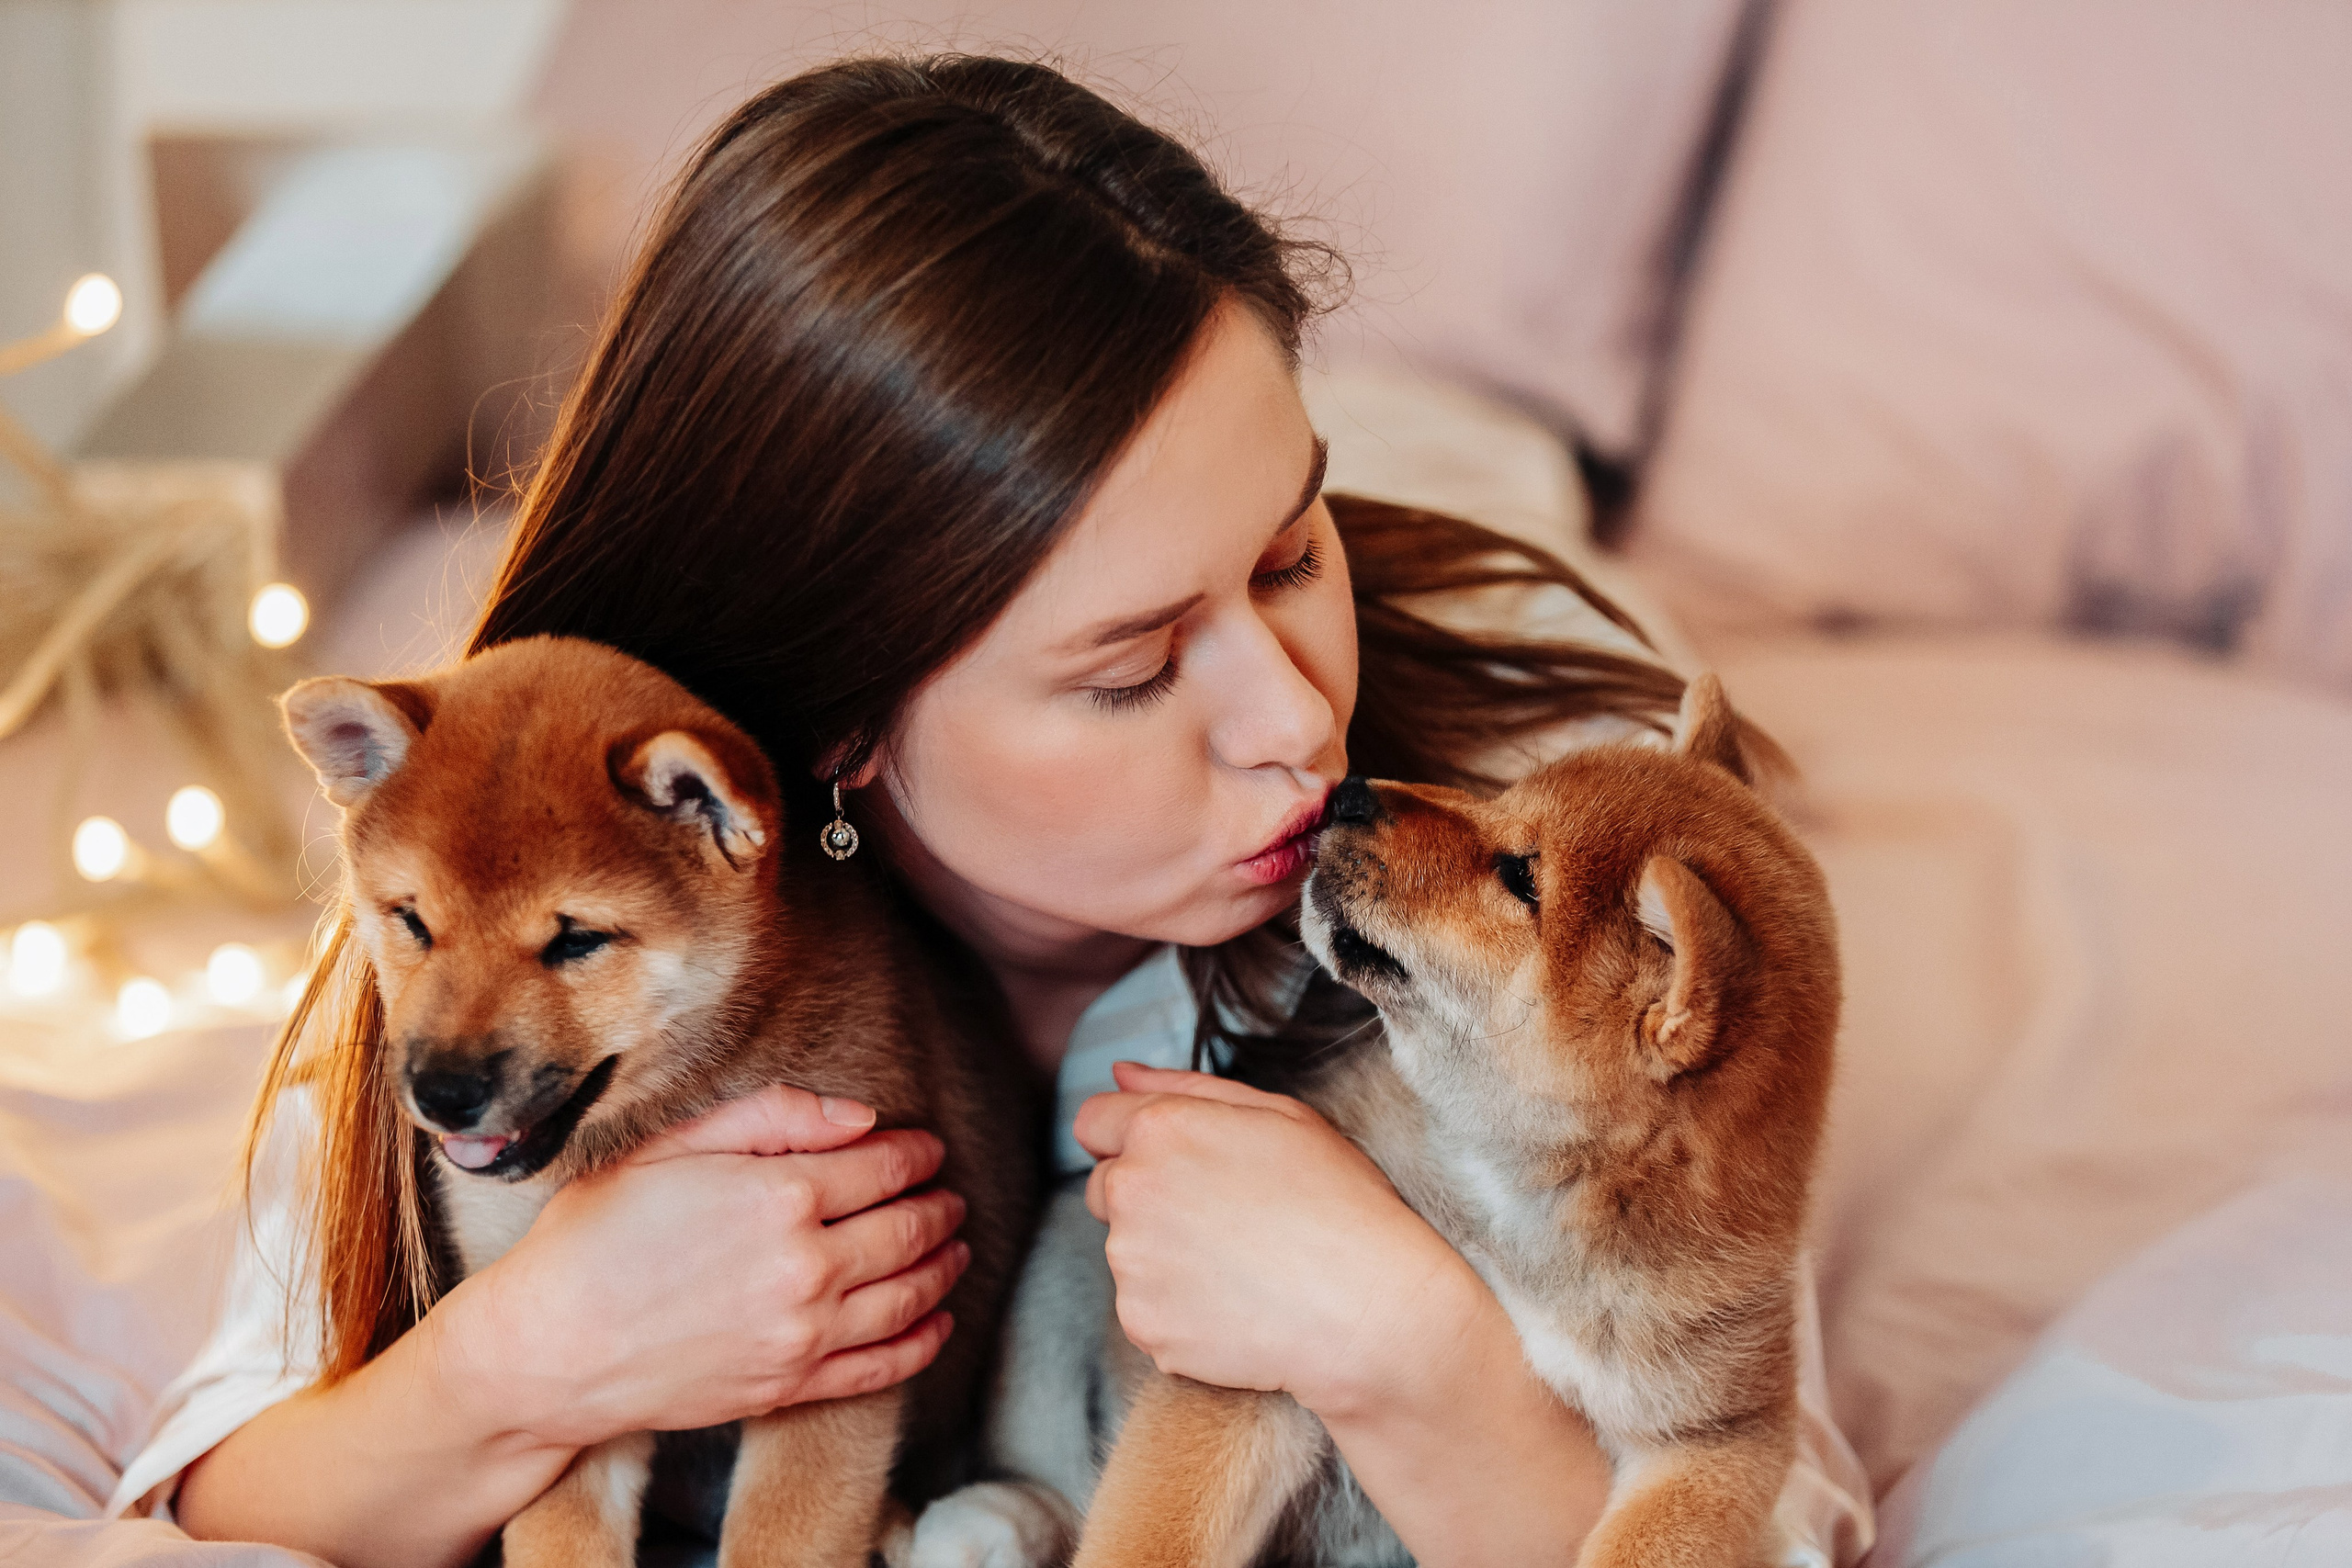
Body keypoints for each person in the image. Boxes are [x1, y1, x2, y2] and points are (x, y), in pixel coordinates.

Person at [110, 56, 1871, 1568]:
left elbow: (1758, 1491)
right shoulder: (522, 882)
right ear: (842, 731)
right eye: (1127, 669)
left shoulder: (1558, 781)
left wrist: (1406, 1351)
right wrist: (531, 1351)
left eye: (1289, 552)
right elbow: (217, 1495)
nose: (1296, 728)